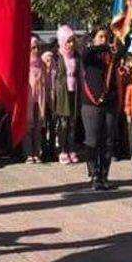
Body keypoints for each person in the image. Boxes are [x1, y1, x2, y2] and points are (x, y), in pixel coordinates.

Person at [81, 27, 120, 191]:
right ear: (94, 39)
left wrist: (119, 35)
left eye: (107, 37)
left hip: (110, 103)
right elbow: (87, 53)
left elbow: (124, 46)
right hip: (91, 103)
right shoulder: (90, 55)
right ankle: (94, 175)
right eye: (101, 37)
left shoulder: (112, 55)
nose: (105, 40)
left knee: (108, 141)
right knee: (93, 140)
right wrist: (105, 46)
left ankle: (104, 175)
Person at [52, 25, 81, 165]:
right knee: (63, 123)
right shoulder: (57, 56)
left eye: (72, 41)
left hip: (73, 92)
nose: (70, 44)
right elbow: (52, 76)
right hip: (61, 93)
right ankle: (63, 150)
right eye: (68, 41)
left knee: (72, 123)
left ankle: (71, 149)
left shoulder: (76, 56)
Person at [24, 37, 48, 164]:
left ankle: (37, 152)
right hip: (28, 100)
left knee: (38, 127)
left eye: (38, 47)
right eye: (33, 48)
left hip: (40, 100)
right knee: (28, 127)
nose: (36, 50)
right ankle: (28, 153)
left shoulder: (42, 64)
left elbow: (46, 82)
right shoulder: (24, 63)